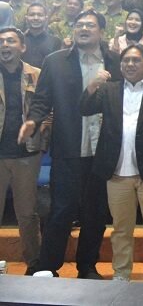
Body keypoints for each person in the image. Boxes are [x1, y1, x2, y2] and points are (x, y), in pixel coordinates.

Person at [20, 9, 122, 278]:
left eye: (90, 25)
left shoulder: (116, 61)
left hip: (103, 151)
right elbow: (42, 100)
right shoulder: (55, 61)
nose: (83, 29)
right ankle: (47, 267)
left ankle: (87, 266)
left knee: (95, 213)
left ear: (102, 31)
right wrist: (33, 120)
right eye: (79, 24)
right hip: (68, 149)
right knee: (61, 210)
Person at [79, 44, 143, 283]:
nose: (130, 64)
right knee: (121, 228)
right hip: (116, 171)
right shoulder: (109, 89)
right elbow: (85, 108)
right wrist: (92, 85)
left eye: (136, 60)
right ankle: (121, 273)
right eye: (126, 60)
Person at [0, 27, 44, 275]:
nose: (5, 45)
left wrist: (40, 131)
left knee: (27, 214)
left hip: (26, 155)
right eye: (1, 41)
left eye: (10, 41)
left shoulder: (36, 75)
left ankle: (34, 265)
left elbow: (47, 108)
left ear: (22, 47)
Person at [22, 3, 62, 69]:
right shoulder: (19, 40)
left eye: (40, 15)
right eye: (32, 15)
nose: (36, 18)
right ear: (26, 18)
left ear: (46, 18)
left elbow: (57, 67)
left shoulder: (55, 42)